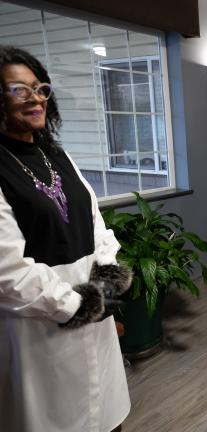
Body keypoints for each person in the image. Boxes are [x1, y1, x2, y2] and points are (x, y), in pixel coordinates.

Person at [0, 46, 131, 431]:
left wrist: (103, 282)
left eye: (40, 88)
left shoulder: (57, 154)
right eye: (18, 91)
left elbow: (95, 223)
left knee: (105, 416)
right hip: (38, 328)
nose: (35, 98)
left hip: (93, 309)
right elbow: (8, 271)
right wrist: (74, 305)